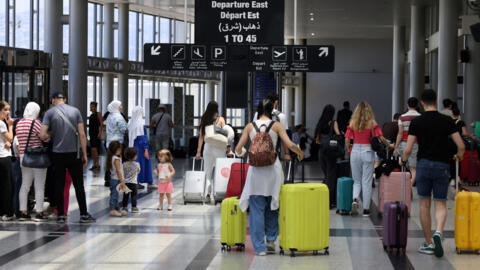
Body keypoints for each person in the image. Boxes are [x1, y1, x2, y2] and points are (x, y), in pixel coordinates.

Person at [400, 89, 465, 258]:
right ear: (436, 101)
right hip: (442, 165)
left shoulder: (417, 122)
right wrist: (459, 156)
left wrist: (404, 161)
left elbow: (408, 149)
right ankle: (438, 232)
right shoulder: (447, 120)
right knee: (441, 203)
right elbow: (461, 145)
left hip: (423, 165)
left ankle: (429, 242)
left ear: (422, 102)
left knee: (424, 204)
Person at [235, 99, 304, 256]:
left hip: (255, 172)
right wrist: (299, 153)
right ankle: (271, 241)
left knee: (257, 208)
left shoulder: (250, 126)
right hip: (273, 170)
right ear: (272, 110)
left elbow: (238, 148)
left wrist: (243, 154)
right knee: (273, 205)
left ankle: (259, 248)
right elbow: (290, 144)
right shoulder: (277, 125)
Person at [39, 92, 95, 224]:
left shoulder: (49, 113)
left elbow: (42, 135)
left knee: (59, 184)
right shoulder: (75, 111)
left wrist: (52, 133)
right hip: (74, 154)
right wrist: (85, 154)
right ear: (65, 99)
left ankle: (61, 215)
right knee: (79, 185)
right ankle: (83, 214)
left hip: (57, 154)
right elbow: (82, 134)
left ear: (53, 100)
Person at [345, 101, 391, 217]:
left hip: (355, 150)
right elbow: (380, 137)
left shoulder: (353, 122)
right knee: (367, 181)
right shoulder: (371, 122)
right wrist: (389, 145)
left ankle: (355, 199)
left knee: (356, 181)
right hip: (367, 151)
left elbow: (347, 139)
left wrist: (349, 149)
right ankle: (366, 209)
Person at [16, 102, 48, 221]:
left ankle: (23, 212)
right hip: (37, 156)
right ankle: (39, 212)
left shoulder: (19, 123)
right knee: (39, 186)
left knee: (25, 185)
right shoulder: (36, 123)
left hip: (24, 157)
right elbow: (44, 137)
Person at [196, 101, 227, 198]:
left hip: (208, 147)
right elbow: (225, 135)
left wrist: (198, 151)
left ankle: (207, 193)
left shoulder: (204, 119)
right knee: (219, 170)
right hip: (219, 147)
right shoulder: (220, 119)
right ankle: (218, 192)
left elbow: (201, 137)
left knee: (207, 170)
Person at [315, 104, 341, 209]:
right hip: (331, 153)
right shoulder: (334, 123)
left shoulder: (320, 123)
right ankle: (329, 201)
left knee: (326, 176)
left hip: (322, 152)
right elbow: (338, 136)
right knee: (331, 177)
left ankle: (323, 198)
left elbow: (317, 141)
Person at [394, 97, 421, 186]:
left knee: (403, 164)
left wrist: (396, 147)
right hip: (415, 143)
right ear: (417, 105)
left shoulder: (402, 117)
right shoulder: (420, 117)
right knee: (413, 168)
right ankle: (409, 187)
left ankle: (407, 188)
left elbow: (400, 133)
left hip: (404, 143)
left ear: (407, 105)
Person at [128, 106, 154, 189]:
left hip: (133, 147)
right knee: (142, 165)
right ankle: (148, 181)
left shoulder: (131, 123)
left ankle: (136, 182)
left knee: (135, 164)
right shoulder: (140, 124)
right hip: (141, 148)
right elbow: (143, 138)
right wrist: (146, 149)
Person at [104, 100, 128, 187]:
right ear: (116, 107)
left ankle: (107, 179)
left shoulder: (110, 116)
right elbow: (124, 129)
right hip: (117, 141)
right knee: (117, 161)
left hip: (109, 141)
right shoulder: (118, 116)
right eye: (120, 105)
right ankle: (118, 179)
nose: (121, 107)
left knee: (110, 160)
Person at [0, 100, 14, 221]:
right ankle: (7, 212)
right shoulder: (2, 124)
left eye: (9, 109)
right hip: (4, 156)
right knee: (7, 185)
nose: (8, 112)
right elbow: (10, 137)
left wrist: (8, 142)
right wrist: (10, 125)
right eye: (5, 109)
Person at [106, 141, 128, 217]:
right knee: (114, 195)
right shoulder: (116, 159)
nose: (120, 151)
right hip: (116, 180)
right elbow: (118, 171)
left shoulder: (112, 157)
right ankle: (112, 209)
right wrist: (122, 181)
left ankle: (117, 209)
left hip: (113, 179)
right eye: (119, 150)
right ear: (115, 150)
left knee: (116, 195)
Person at [121, 147, 141, 213]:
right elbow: (138, 171)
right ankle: (134, 207)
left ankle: (124, 207)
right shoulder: (137, 164)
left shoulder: (124, 164)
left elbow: (122, 172)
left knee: (125, 196)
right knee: (134, 195)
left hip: (126, 182)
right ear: (134, 156)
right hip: (134, 182)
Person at [88, 102, 103, 171]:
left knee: (95, 149)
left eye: (92, 106)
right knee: (92, 150)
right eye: (90, 106)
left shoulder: (98, 114)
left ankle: (97, 164)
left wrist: (100, 133)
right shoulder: (91, 115)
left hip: (96, 134)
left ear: (95, 107)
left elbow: (101, 124)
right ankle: (94, 164)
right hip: (91, 134)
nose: (91, 108)